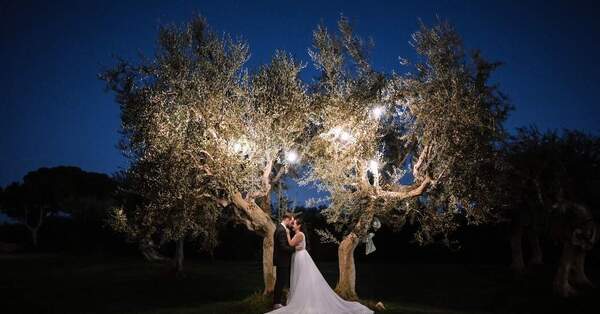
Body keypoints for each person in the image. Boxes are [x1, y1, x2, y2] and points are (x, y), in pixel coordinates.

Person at [266, 217, 373, 314]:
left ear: (299, 225)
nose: (292, 225)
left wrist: (288, 233)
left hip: (300, 257)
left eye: (294, 224)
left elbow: (289, 244)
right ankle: (300, 297)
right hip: (299, 257)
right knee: (300, 278)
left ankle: (303, 299)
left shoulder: (299, 234)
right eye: (292, 223)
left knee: (301, 278)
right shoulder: (299, 234)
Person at [272, 213, 296, 309]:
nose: (291, 223)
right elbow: (283, 247)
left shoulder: (280, 228)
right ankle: (276, 303)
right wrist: (294, 249)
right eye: (291, 221)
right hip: (282, 260)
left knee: (280, 281)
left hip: (281, 260)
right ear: (287, 219)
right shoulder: (281, 230)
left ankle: (277, 301)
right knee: (280, 282)